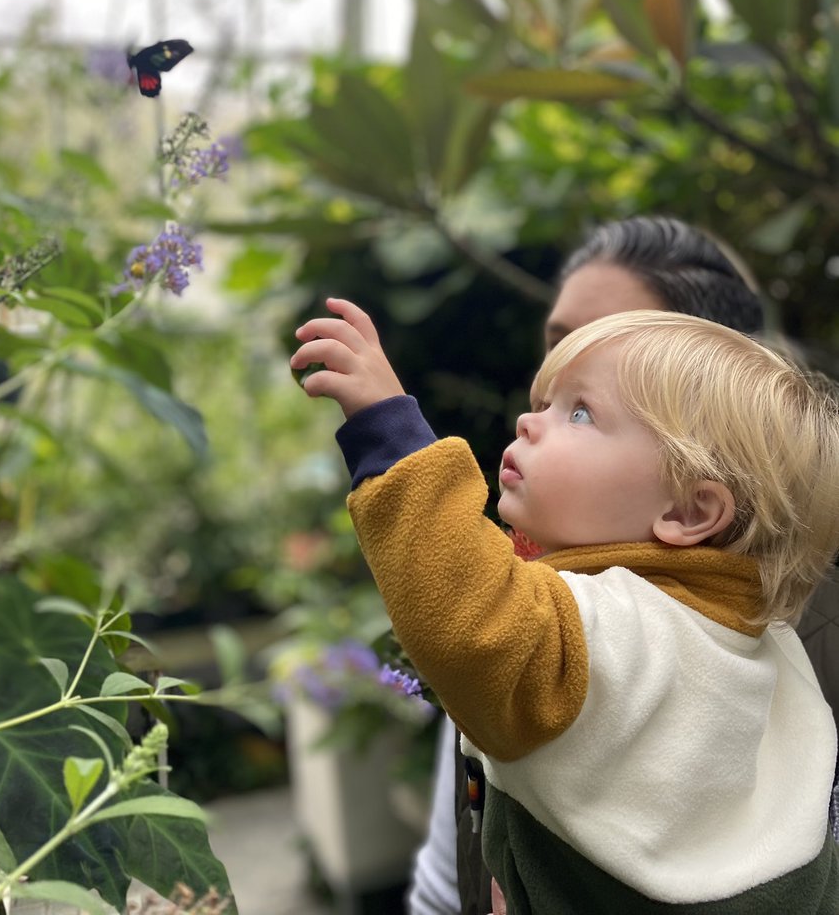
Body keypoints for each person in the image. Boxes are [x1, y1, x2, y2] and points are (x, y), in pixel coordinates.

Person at [290, 299, 839, 913]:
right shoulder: (747, 639)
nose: (530, 423)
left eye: (580, 413)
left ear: (688, 512)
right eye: (543, 403)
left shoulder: (613, 636)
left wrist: (388, 430)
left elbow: (477, 619)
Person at [413, 214, 775, 915]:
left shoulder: (802, 642)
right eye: (557, 356)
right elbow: (444, 870)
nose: (542, 404)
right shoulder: (516, 595)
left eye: (591, 392)